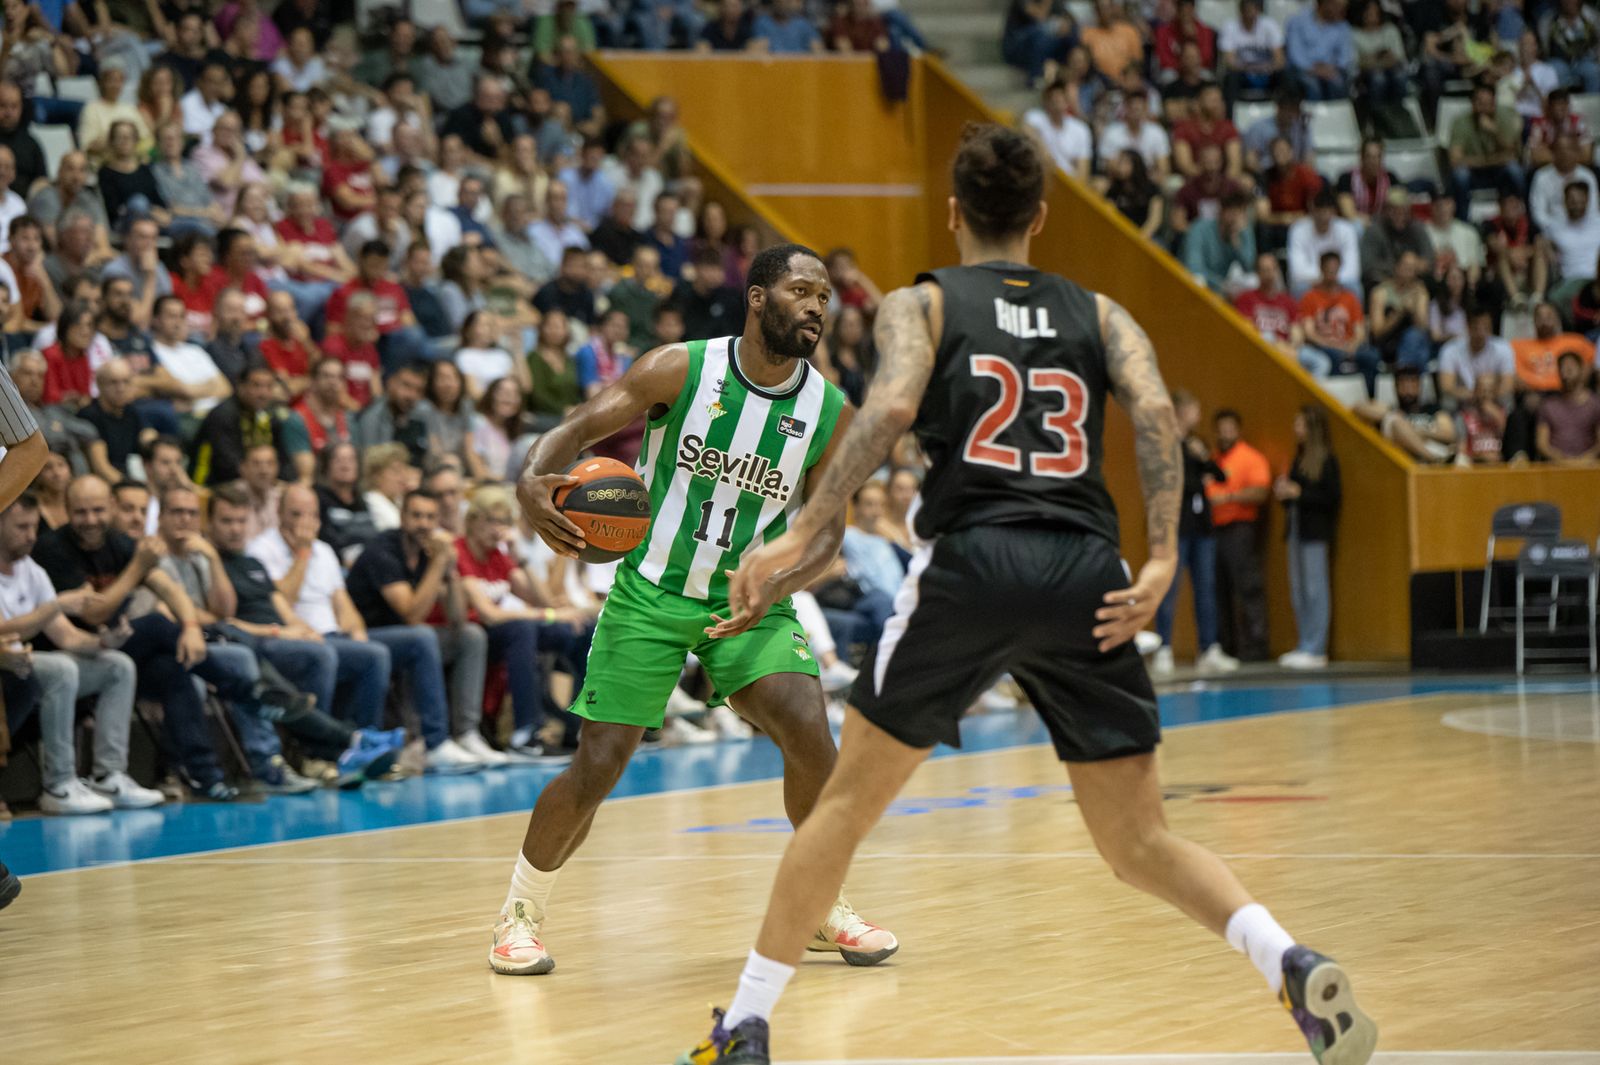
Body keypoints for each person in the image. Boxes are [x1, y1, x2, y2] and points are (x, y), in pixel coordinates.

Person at [675, 124, 1374, 1065]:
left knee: (841, 808)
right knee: (1139, 842)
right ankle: (1286, 959)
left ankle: (748, 1025)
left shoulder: (920, 304)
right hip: (1088, 569)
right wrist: (1161, 555)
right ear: (1042, 217)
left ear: (954, 212)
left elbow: (886, 410)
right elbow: (1160, 414)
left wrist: (803, 530)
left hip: (974, 559)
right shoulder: (1101, 311)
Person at [500, 242, 898, 979]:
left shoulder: (830, 409)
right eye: (801, 291)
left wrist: (776, 587)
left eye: (823, 297)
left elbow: (830, 530)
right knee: (599, 762)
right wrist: (530, 477)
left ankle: (821, 904)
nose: (817, 306)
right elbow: (581, 426)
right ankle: (519, 913)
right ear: (757, 298)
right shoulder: (680, 367)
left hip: (749, 596)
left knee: (811, 729)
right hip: (650, 589)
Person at [344, 488, 493, 772]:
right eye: (416, 516)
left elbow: (457, 619)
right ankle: (435, 743)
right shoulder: (382, 551)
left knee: (471, 636)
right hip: (367, 638)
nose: (423, 524)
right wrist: (438, 564)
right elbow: (412, 615)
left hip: (408, 640)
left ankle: (466, 734)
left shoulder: (429, 553)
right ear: (402, 517)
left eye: (430, 517)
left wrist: (450, 570)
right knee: (422, 635)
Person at [1152, 390, 1235, 677]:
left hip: (1202, 527)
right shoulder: (1165, 442)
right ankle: (1163, 647)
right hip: (1176, 526)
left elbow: (1221, 476)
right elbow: (1171, 483)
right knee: (1169, 589)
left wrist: (1204, 460)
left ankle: (1209, 647)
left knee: (1205, 589)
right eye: (1192, 410)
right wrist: (1198, 476)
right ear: (1179, 411)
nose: (1197, 416)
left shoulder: (1195, 444)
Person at [1274, 406, 1339, 670]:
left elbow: (1331, 498)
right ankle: (1304, 643)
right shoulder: (1298, 459)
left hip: (1315, 532)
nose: (1296, 429)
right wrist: (1284, 494)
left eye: (1300, 424)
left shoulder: (1326, 460)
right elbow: (1294, 496)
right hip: (1296, 530)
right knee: (1298, 590)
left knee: (1316, 589)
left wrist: (1299, 493)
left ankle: (1316, 647)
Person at [1447, 83, 1526, 221]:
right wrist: (1491, 160)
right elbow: (1455, 160)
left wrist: (1494, 131)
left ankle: (1523, 217)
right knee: (1460, 175)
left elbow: (1514, 153)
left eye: (1488, 103)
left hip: (1498, 172)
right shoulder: (1461, 122)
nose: (1483, 107)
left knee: (1515, 170)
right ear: (1472, 103)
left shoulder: (1506, 116)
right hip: (1474, 174)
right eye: (1479, 103)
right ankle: (1462, 221)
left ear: (1494, 103)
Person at [1353, 366, 1458, 463]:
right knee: (1395, 421)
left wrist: (1420, 432)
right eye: (1403, 385)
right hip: (1405, 457)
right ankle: (1433, 459)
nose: (1408, 390)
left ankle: (1435, 459)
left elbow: (1449, 434)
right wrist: (1391, 414)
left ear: (1419, 386)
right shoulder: (1392, 411)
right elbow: (1358, 408)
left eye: (1412, 384)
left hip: (1436, 448)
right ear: (1395, 387)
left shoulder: (1432, 409)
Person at [1359, 188, 1433, 292]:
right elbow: (1367, 264)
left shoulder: (1416, 227)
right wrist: (1400, 267)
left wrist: (1412, 266)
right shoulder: (1375, 230)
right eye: (1394, 211)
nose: (1399, 215)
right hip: (1383, 281)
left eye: (1403, 211)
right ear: (1385, 211)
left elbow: (1429, 259)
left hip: (1413, 281)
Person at [1183, 190, 1256, 295]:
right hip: (1196, 283)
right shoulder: (1200, 228)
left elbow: (1249, 267)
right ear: (1221, 211)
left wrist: (1236, 242)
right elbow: (1194, 268)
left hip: (1224, 284)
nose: (1235, 218)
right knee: (1198, 280)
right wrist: (1220, 285)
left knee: (1252, 281)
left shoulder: (1243, 230)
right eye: (1232, 211)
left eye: (1240, 212)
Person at [1512, 301, 1595, 392]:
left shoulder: (1577, 341)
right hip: (1535, 394)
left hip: (1569, 392)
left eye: (1549, 316)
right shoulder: (1517, 346)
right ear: (1533, 320)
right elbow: (1513, 374)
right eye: (1540, 316)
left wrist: (1577, 385)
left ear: (1557, 318)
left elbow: (1591, 362)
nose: (1544, 320)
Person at [1439, 307, 1515, 404]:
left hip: (1494, 401)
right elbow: (1447, 387)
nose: (1481, 333)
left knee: (1508, 399)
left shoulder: (1503, 348)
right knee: (1448, 402)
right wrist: (1476, 396)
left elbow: (1507, 385)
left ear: (1491, 328)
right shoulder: (1450, 349)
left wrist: (1486, 398)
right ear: (1468, 327)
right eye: (1476, 328)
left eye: (1485, 328)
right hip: (1463, 403)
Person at [1536, 351, 1600, 463]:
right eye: (1562, 368)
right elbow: (1542, 444)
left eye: (1570, 367)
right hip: (1556, 467)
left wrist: (1585, 460)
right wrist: (1561, 460)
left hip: (1589, 466)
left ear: (1582, 370)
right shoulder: (1549, 405)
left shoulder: (1596, 404)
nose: (1565, 372)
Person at [1022, 81, 1092, 181]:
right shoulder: (1035, 117)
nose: (1057, 102)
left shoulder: (1081, 129)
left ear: (1067, 102)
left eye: (1061, 98)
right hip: (1041, 174)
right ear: (1046, 101)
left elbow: (1083, 171)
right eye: (1054, 99)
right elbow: (1027, 130)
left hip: (1068, 181)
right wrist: (1044, 151)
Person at [1284, 0, 1354, 100]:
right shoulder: (1297, 21)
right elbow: (1295, 55)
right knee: (1313, 85)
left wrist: (1332, 68)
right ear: (1323, 3)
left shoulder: (1343, 26)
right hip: (1302, 69)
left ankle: (1337, 115)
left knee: (1338, 83)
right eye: (1337, 6)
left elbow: (1345, 57)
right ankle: (1315, 115)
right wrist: (1314, 69)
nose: (1341, 10)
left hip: (1331, 69)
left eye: (1344, 7)